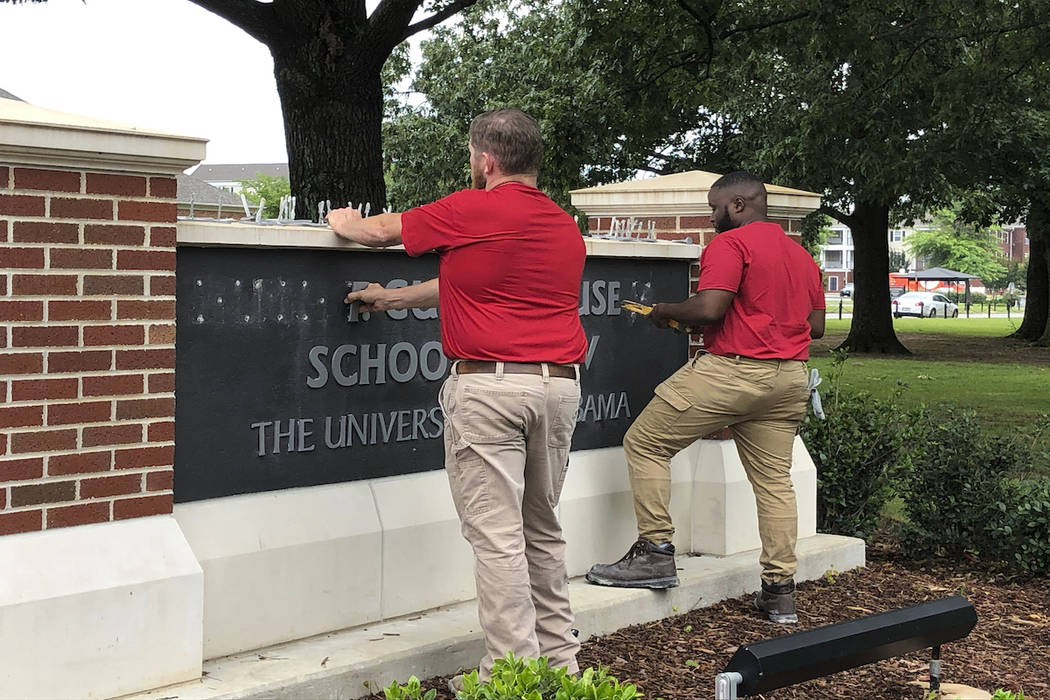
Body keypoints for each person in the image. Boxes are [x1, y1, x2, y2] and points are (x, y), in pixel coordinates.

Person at [326, 108, 586, 683]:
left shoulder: (472, 208)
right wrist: (393, 299)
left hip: (490, 389)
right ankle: (562, 669)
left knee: (497, 539)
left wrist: (343, 218)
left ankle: (511, 679)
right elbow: (470, 283)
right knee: (542, 530)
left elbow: (378, 231)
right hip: (558, 387)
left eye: (472, 156)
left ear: (486, 160)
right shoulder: (561, 225)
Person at [585, 171, 825, 625]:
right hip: (788, 380)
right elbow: (816, 327)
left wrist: (664, 311)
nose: (711, 216)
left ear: (738, 205)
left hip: (732, 372)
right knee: (775, 483)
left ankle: (655, 553)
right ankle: (780, 592)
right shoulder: (801, 256)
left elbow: (710, 308)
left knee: (645, 442)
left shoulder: (730, 244)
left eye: (715, 207)